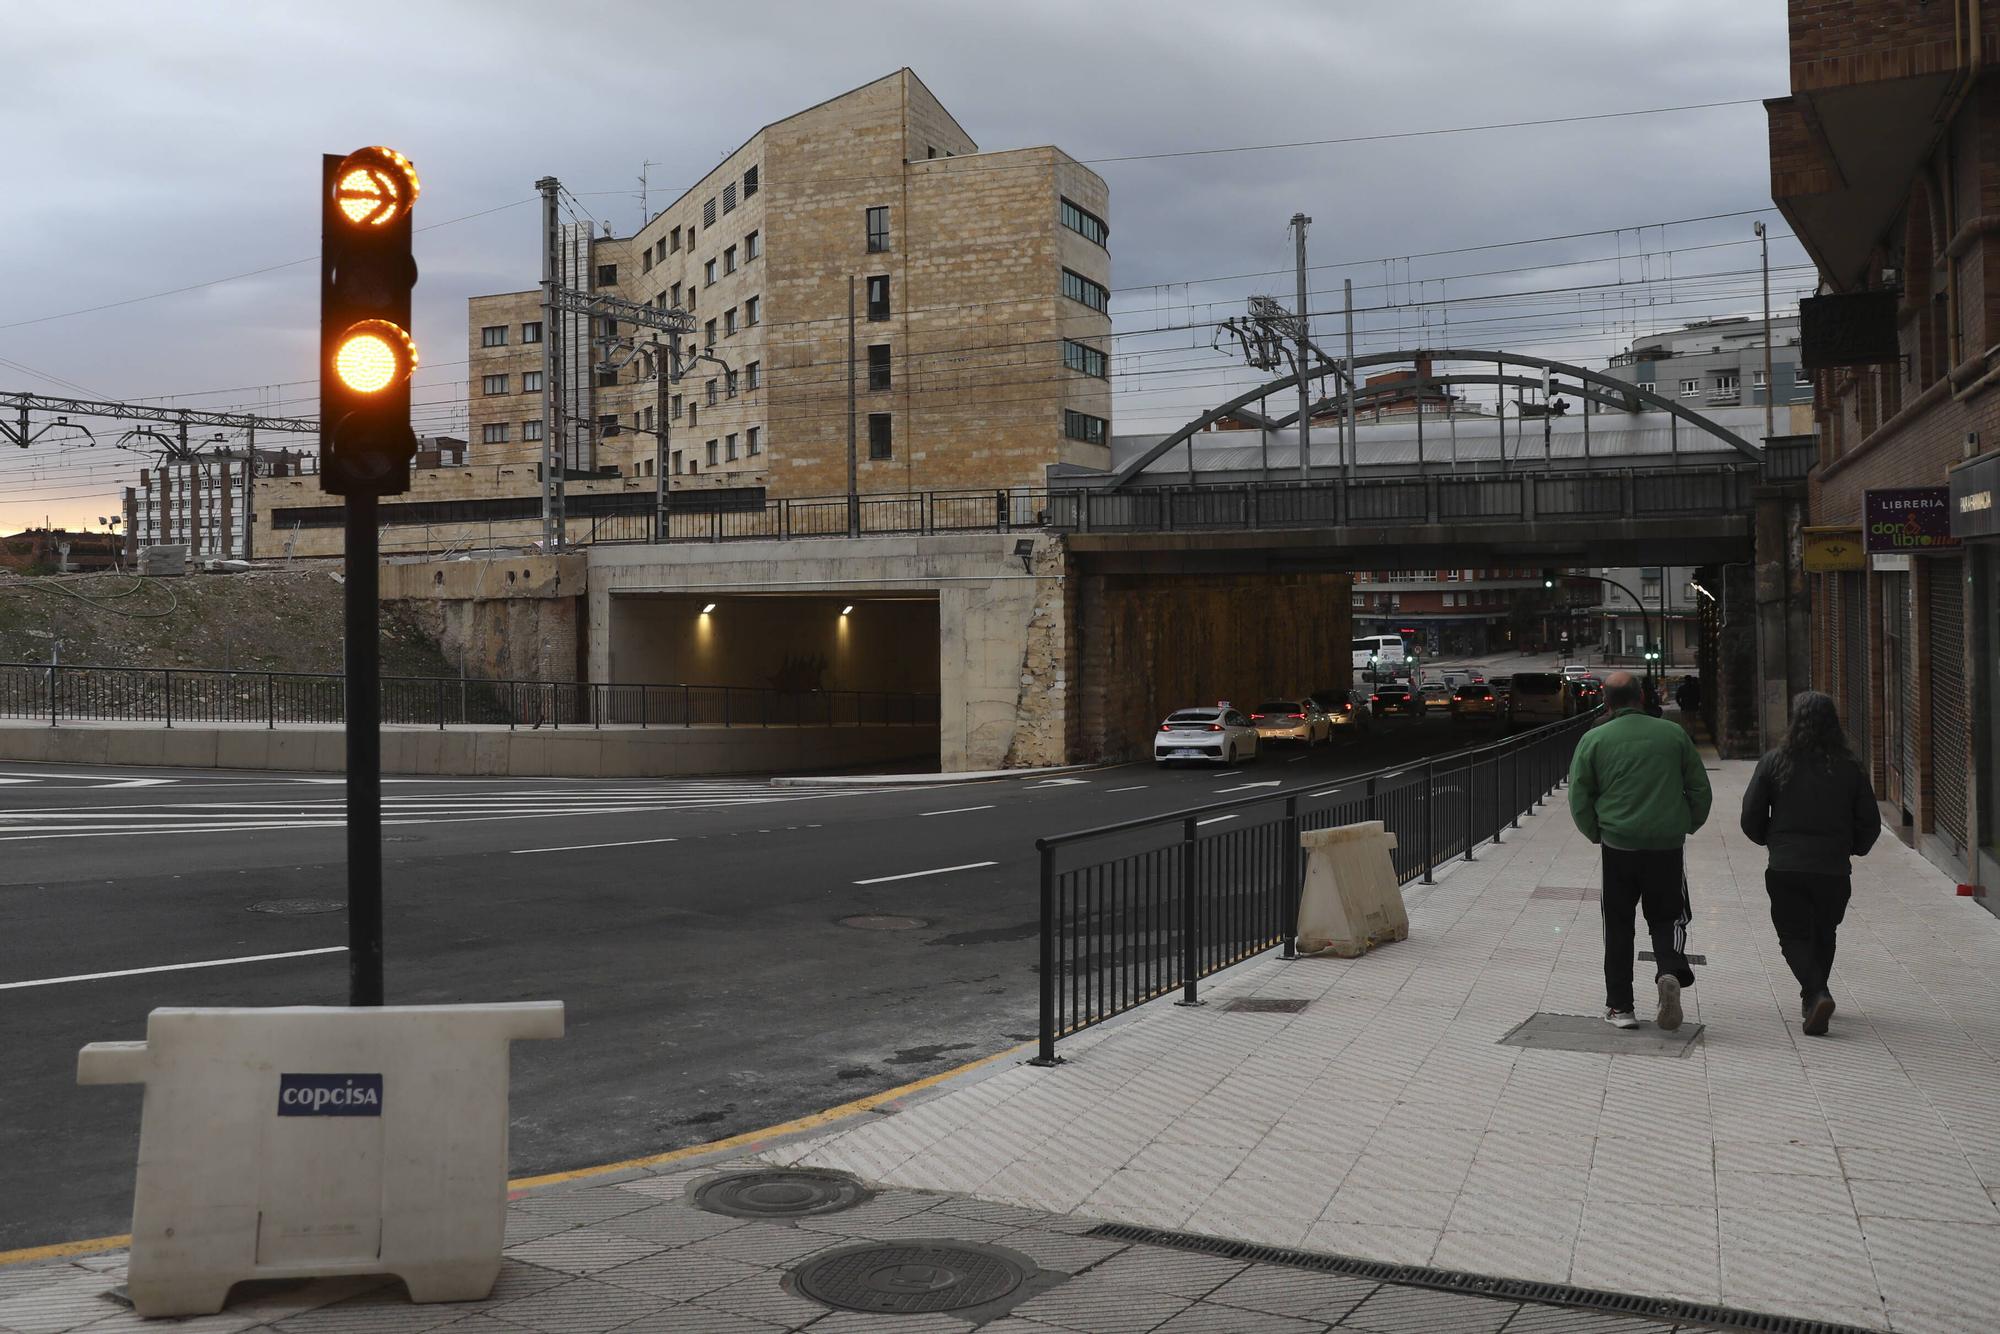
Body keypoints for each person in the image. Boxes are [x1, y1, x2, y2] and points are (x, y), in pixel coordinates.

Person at [1567, 671, 1712, 1030]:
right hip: (1665, 847)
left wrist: (1596, 832)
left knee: (1617, 925)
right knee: (1669, 916)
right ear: (1641, 699)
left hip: (1618, 847)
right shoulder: (1673, 735)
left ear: (1607, 700)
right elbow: (1700, 790)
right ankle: (1669, 970)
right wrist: (1685, 823)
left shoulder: (1593, 740)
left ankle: (1621, 1008)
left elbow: (1579, 796)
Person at [1739, 691, 1880, 1036]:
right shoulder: (1850, 766)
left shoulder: (1774, 762)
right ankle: (1813, 998)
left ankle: (1816, 993)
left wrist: (1770, 841)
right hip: (1832, 868)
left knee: (1792, 935)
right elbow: (1869, 822)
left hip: (1787, 866)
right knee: (1824, 932)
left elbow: (1751, 814)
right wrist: (1854, 849)